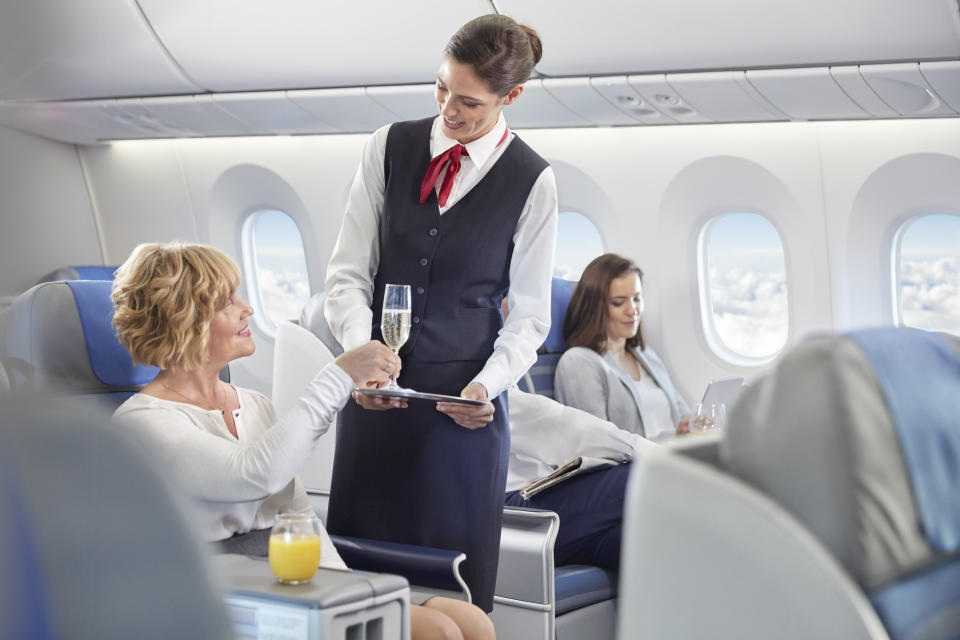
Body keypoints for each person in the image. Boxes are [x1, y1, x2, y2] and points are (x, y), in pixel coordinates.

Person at [111, 242, 494, 640]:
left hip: (291, 580)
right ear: (183, 320)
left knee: (469, 621)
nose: (247, 309)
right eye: (227, 302)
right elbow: (255, 474)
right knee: (439, 633)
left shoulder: (254, 404)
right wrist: (338, 376)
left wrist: (346, 589)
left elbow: (299, 517)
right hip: (220, 596)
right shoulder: (142, 425)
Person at [323, 15, 558, 613]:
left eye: (470, 103)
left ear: (512, 97)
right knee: (360, 590)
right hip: (376, 404)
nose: (449, 111)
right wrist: (362, 357)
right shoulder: (390, 146)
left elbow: (530, 315)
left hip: (465, 422)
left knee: (455, 594)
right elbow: (347, 274)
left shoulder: (534, 181)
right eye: (441, 90)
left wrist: (488, 385)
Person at [504, 387, 657, 570]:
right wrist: (666, 458)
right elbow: (568, 428)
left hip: (539, 514)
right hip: (508, 518)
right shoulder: (480, 386)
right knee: (644, 475)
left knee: (656, 543)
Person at [554, 253, 691, 440]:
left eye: (636, 299)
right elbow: (600, 444)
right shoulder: (578, 362)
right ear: (595, 307)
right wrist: (671, 440)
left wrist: (693, 427)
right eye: (618, 302)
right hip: (637, 467)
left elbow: (683, 415)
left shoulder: (645, 355)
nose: (632, 310)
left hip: (670, 458)